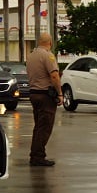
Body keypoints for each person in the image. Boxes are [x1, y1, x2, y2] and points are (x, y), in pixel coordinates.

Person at [26, 33, 62, 166]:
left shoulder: (31, 56)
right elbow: (54, 76)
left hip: (34, 94)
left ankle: (35, 154)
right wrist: (59, 93)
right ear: (50, 42)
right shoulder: (48, 55)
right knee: (45, 127)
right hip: (45, 95)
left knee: (38, 126)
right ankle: (37, 157)